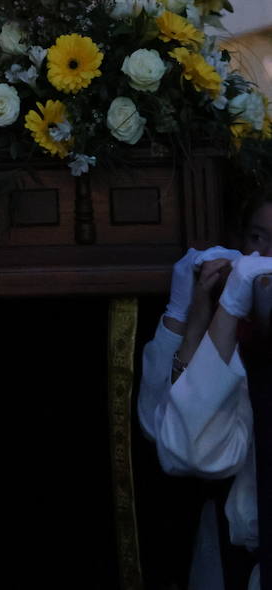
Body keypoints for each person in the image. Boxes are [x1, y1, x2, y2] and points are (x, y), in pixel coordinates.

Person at [138, 192, 272, 589]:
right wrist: (186, 317)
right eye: (257, 238)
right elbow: (172, 443)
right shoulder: (235, 333)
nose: (265, 257)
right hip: (235, 564)